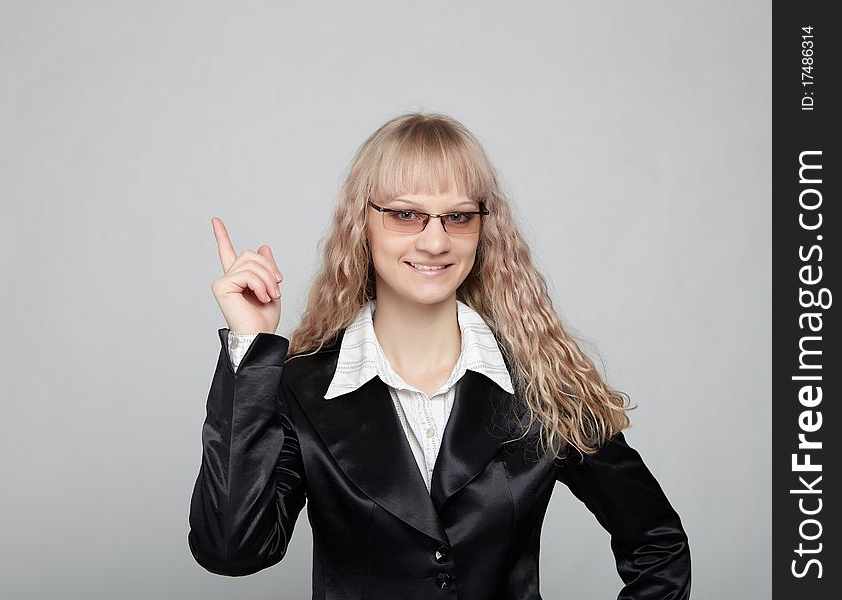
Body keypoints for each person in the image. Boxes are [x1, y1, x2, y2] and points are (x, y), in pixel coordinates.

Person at [188, 112, 692, 599]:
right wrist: (252, 348)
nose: (434, 241)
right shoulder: (300, 388)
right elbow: (233, 551)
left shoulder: (544, 380)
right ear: (361, 223)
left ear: (483, 228)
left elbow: (658, 546)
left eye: (458, 216)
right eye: (406, 214)